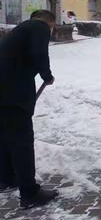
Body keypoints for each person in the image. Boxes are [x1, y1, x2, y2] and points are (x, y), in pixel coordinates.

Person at [0, 10, 59, 209]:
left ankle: (6, 178)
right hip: (13, 94)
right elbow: (39, 53)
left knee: (6, 137)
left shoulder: (20, 30)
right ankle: (29, 193)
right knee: (22, 141)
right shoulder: (39, 26)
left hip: (4, 92)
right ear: (50, 21)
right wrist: (46, 75)